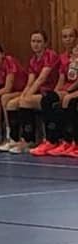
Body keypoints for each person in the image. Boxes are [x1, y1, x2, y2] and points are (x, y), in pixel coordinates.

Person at [1, 30, 59, 153]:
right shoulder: (33, 60)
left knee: (25, 102)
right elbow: (30, 82)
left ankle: (29, 140)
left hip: (50, 92)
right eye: (33, 41)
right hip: (37, 92)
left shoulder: (50, 55)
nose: (35, 44)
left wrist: (27, 96)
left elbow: (41, 79)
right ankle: (13, 138)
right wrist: (23, 94)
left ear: (45, 43)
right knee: (11, 103)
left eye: (39, 41)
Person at [32, 25, 78, 157]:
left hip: (74, 89)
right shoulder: (63, 57)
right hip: (68, 89)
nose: (68, 39)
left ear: (76, 38)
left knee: (69, 100)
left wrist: (69, 91)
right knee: (49, 99)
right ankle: (53, 140)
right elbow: (62, 78)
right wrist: (56, 92)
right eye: (65, 37)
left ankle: (72, 141)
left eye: (71, 36)